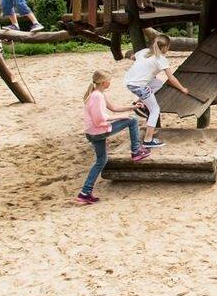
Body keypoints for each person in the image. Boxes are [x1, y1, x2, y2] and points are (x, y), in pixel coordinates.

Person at [78, 69, 149, 203]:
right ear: (105, 82)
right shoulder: (97, 96)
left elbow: (113, 108)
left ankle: (85, 192)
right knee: (132, 121)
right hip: (99, 131)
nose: (110, 82)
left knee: (101, 161)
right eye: (109, 80)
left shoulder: (98, 93)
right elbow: (100, 120)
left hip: (92, 133)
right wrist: (124, 117)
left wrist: (132, 107)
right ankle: (136, 150)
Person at [124, 32, 194, 148]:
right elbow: (171, 78)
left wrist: (143, 66)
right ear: (166, 47)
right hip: (139, 85)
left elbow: (132, 57)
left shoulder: (144, 52)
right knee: (155, 110)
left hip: (129, 81)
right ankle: (148, 140)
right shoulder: (161, 59)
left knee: (157, 84)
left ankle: (139, 103)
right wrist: (183, 89)